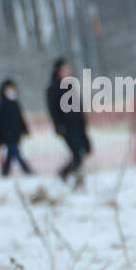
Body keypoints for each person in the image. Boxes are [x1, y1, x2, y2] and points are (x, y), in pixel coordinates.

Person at [46, 57, 91, 186]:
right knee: (77, 154)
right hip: (66, 127)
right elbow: (53, 110)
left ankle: (74, 175)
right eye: (65, 69)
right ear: (58, 71)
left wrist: (83, 122)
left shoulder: (71, 85)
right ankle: (63, 174)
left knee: (87, 149)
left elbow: (78, 106)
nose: (68, 71)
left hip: (78, 126)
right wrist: (59, 126)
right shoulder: (53, 88)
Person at [0, 78, 34, 175]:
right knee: (15, 152)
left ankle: (5, 172)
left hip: (15, 133)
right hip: (5, 133)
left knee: (11, 153)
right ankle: (27, 170)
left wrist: (24, 129)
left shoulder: (14, 101)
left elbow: (19, 117)